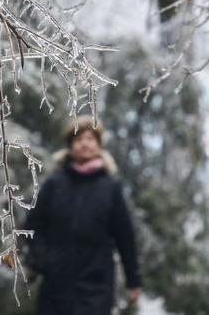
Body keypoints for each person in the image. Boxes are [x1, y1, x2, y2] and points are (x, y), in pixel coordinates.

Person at [25, 115, 141, 315]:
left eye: (90, 139)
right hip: (56, 282)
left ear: (99, 145)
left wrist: (133, 280)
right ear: (70, 145)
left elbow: (124, 237)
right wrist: (44, 260)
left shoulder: (110, 187)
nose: (85, 144)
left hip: (96, 284)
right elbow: (33, 226)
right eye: (79, 139)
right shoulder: (55, 184)